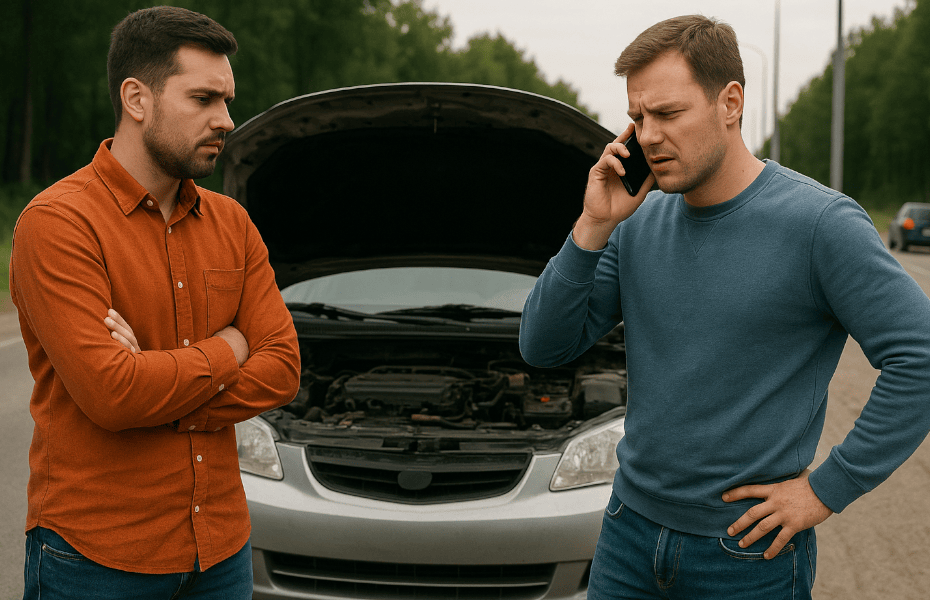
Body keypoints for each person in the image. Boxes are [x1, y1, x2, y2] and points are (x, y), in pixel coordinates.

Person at [519, 14, 930, 600]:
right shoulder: (637, 220)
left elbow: (919, 357)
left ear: (730, 102)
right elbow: (542, 345)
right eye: (637, 117)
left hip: (744, 558)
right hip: (625, 537)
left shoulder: (819, 225)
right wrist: (593, 226)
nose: (647, 135)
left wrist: (825, 490)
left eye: (667, 113)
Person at [10, 6, 300, 599]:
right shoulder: (58, 223)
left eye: (227, 100)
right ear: (136, 99)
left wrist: (154, 383)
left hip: (220, 550)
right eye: (203, 99)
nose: (226, 119)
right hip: (95, 558)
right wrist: (228, 347)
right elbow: (111, 394)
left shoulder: (233, 224)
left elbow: (284, 370)